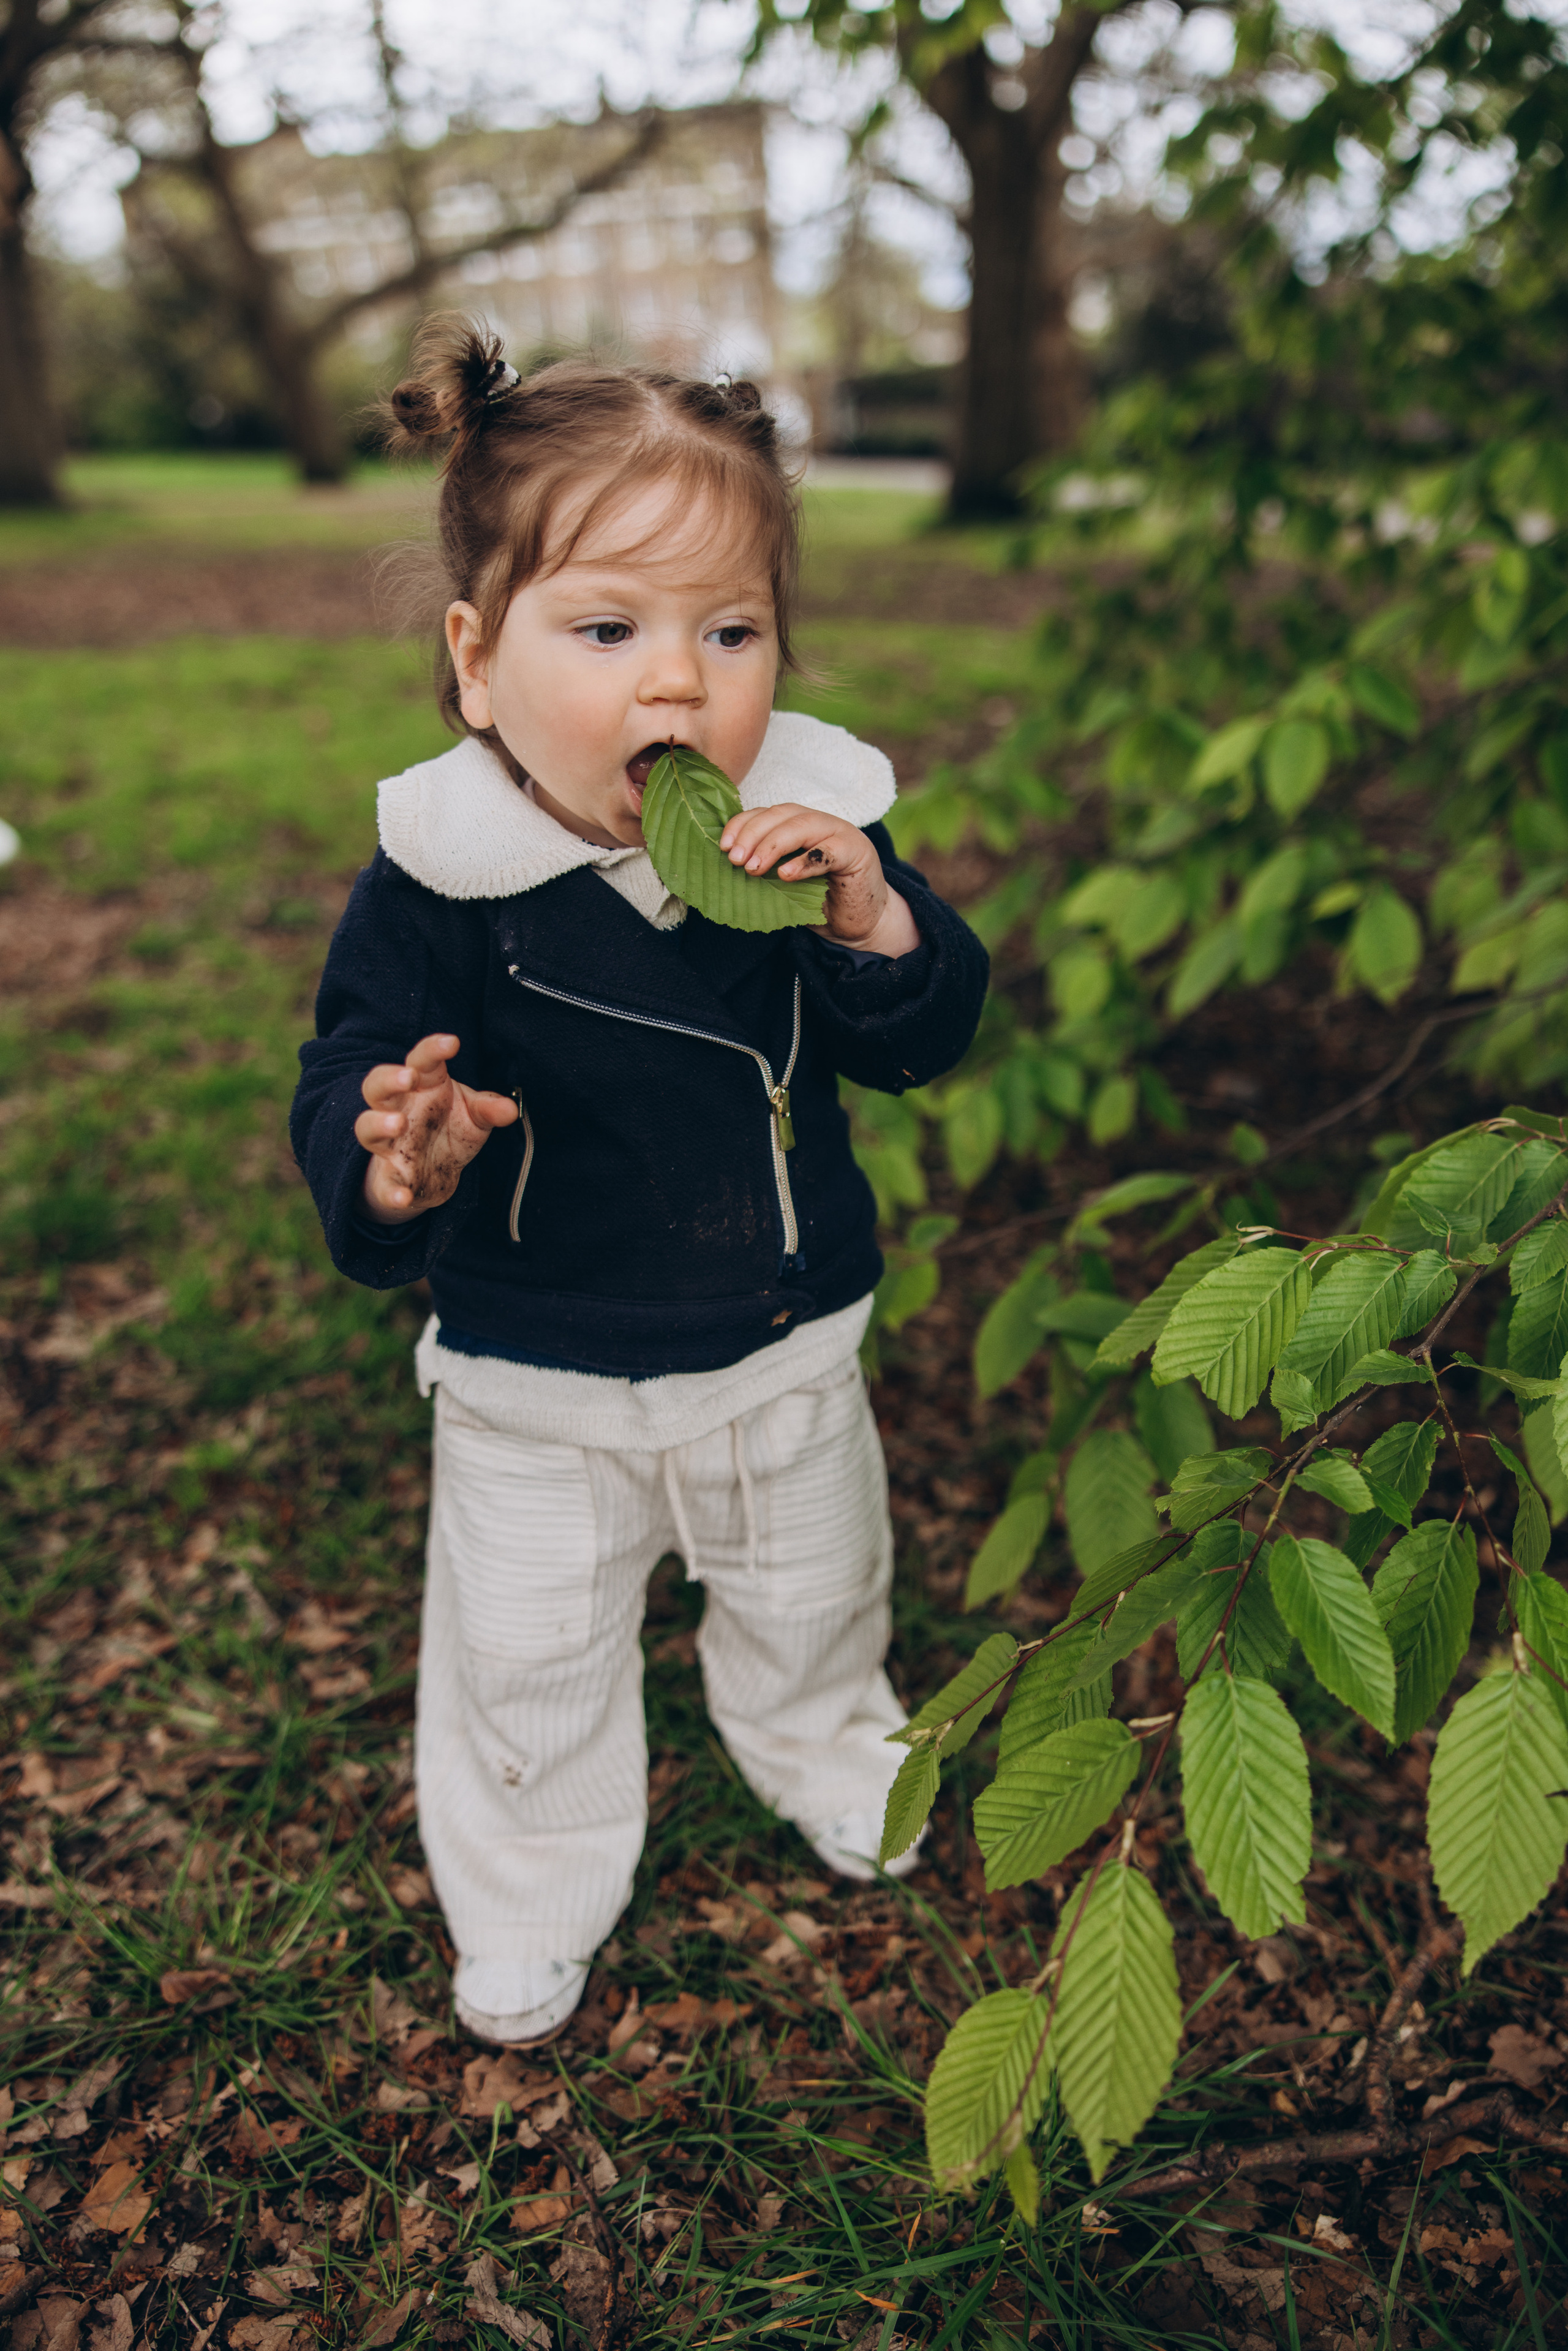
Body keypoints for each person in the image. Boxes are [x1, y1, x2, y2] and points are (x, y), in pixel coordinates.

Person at [290, 318, 989, 2045]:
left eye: (730, 630)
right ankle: (531, 1881)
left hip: (777, 1334)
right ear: (477, 660)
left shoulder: (804, 839)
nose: (678, 682)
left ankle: (830, 1747)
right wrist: (398, 1157)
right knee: (527, 1651)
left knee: (818, 1590)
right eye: (607, 629)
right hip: (540, 1364)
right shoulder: (444, 879)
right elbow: (348, 1078)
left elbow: (919, 1037)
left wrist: (875, 924)